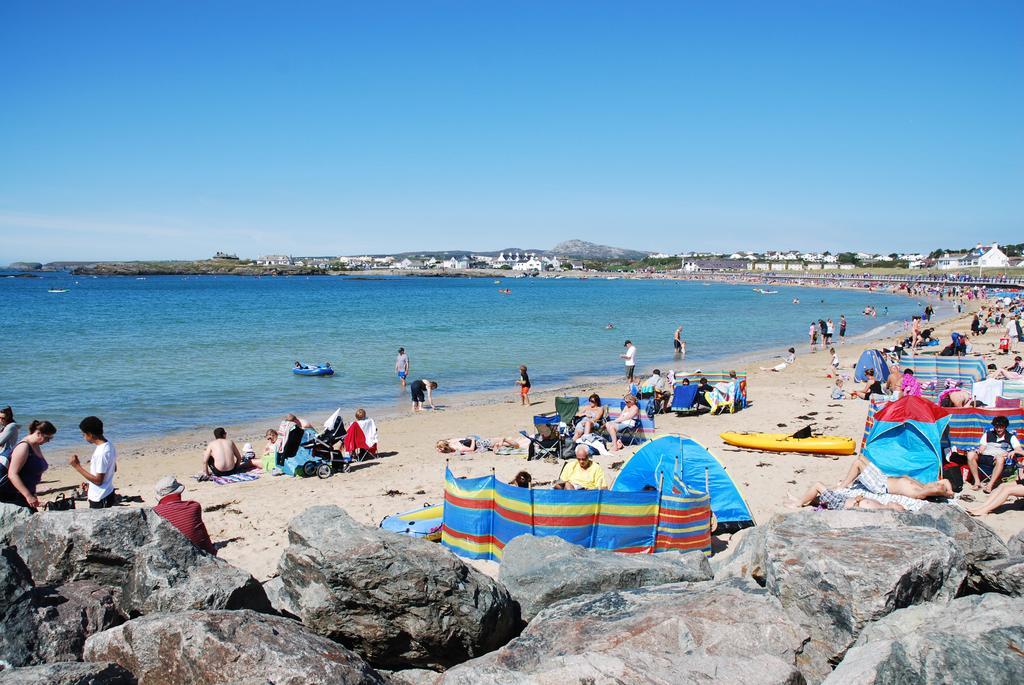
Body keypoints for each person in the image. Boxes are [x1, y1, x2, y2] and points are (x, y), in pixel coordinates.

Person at [837, 455, 954, 499]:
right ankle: (849, 482)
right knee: (861, 457)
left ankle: (842, 486)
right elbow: (945, 480)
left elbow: (937, 488)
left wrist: (944, 493)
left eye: (936, 485)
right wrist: (950, 492)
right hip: (882, 477)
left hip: (880, 486)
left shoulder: (920, 493)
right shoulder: (920, 485)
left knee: (858, 464)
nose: (936, 483)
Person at [152, 475, 216, 555]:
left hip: (171, 556)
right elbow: (202, 532)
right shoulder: (193, 506)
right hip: (202, 553)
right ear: (179, 492)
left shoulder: (155, 512)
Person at [0, 419, 53, 510]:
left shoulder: (35, 445)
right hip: (15, 495)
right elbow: (12, 474)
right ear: (38, 433)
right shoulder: (23, 447)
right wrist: (28, 495)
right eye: (48, 438)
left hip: (27, 493)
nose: (48, 441)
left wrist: (32, 494)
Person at [68, 416, 117, 509]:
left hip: (100, 497)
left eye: (84, 435)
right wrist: (89, 483)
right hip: (107, 492)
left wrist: (77, 466)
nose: (84, 437)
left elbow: (99, 481)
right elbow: (113, 468)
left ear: (90, 434)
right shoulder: (109, 445)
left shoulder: (101, 453)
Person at [966, 416, 1024, 493]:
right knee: (970, 454)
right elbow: (982, 448)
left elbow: (1020, 450)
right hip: (985, 456)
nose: (998, 429)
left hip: (998, 459)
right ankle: (977, 482)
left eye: (1001, 427)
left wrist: (1012, 452)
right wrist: (979, 450)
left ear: (1005, 427)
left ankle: (990, 484)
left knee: (1000, 458)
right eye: (997, 427)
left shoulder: (1011, 437)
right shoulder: (988, 434)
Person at [792, 482, 906, 511]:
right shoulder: (881, 505)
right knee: (820, 498)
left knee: (818, 485)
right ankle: (803, 500)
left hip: (840, 504)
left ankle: (798, 503)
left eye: (898, 505)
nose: (896, 502)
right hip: (843, 500)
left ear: (895, 508)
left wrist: (857, 501)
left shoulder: (879, 508)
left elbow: (858, 510)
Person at [436, 435, 530, 454]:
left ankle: (504, 441)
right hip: (482, 443)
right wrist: (472, 439)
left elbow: (449, 440)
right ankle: (504, 439)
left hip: (482, 443)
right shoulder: (457, 447)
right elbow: (472, 449)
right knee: (503, 441)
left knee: (507, 444)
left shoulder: (452, 442)